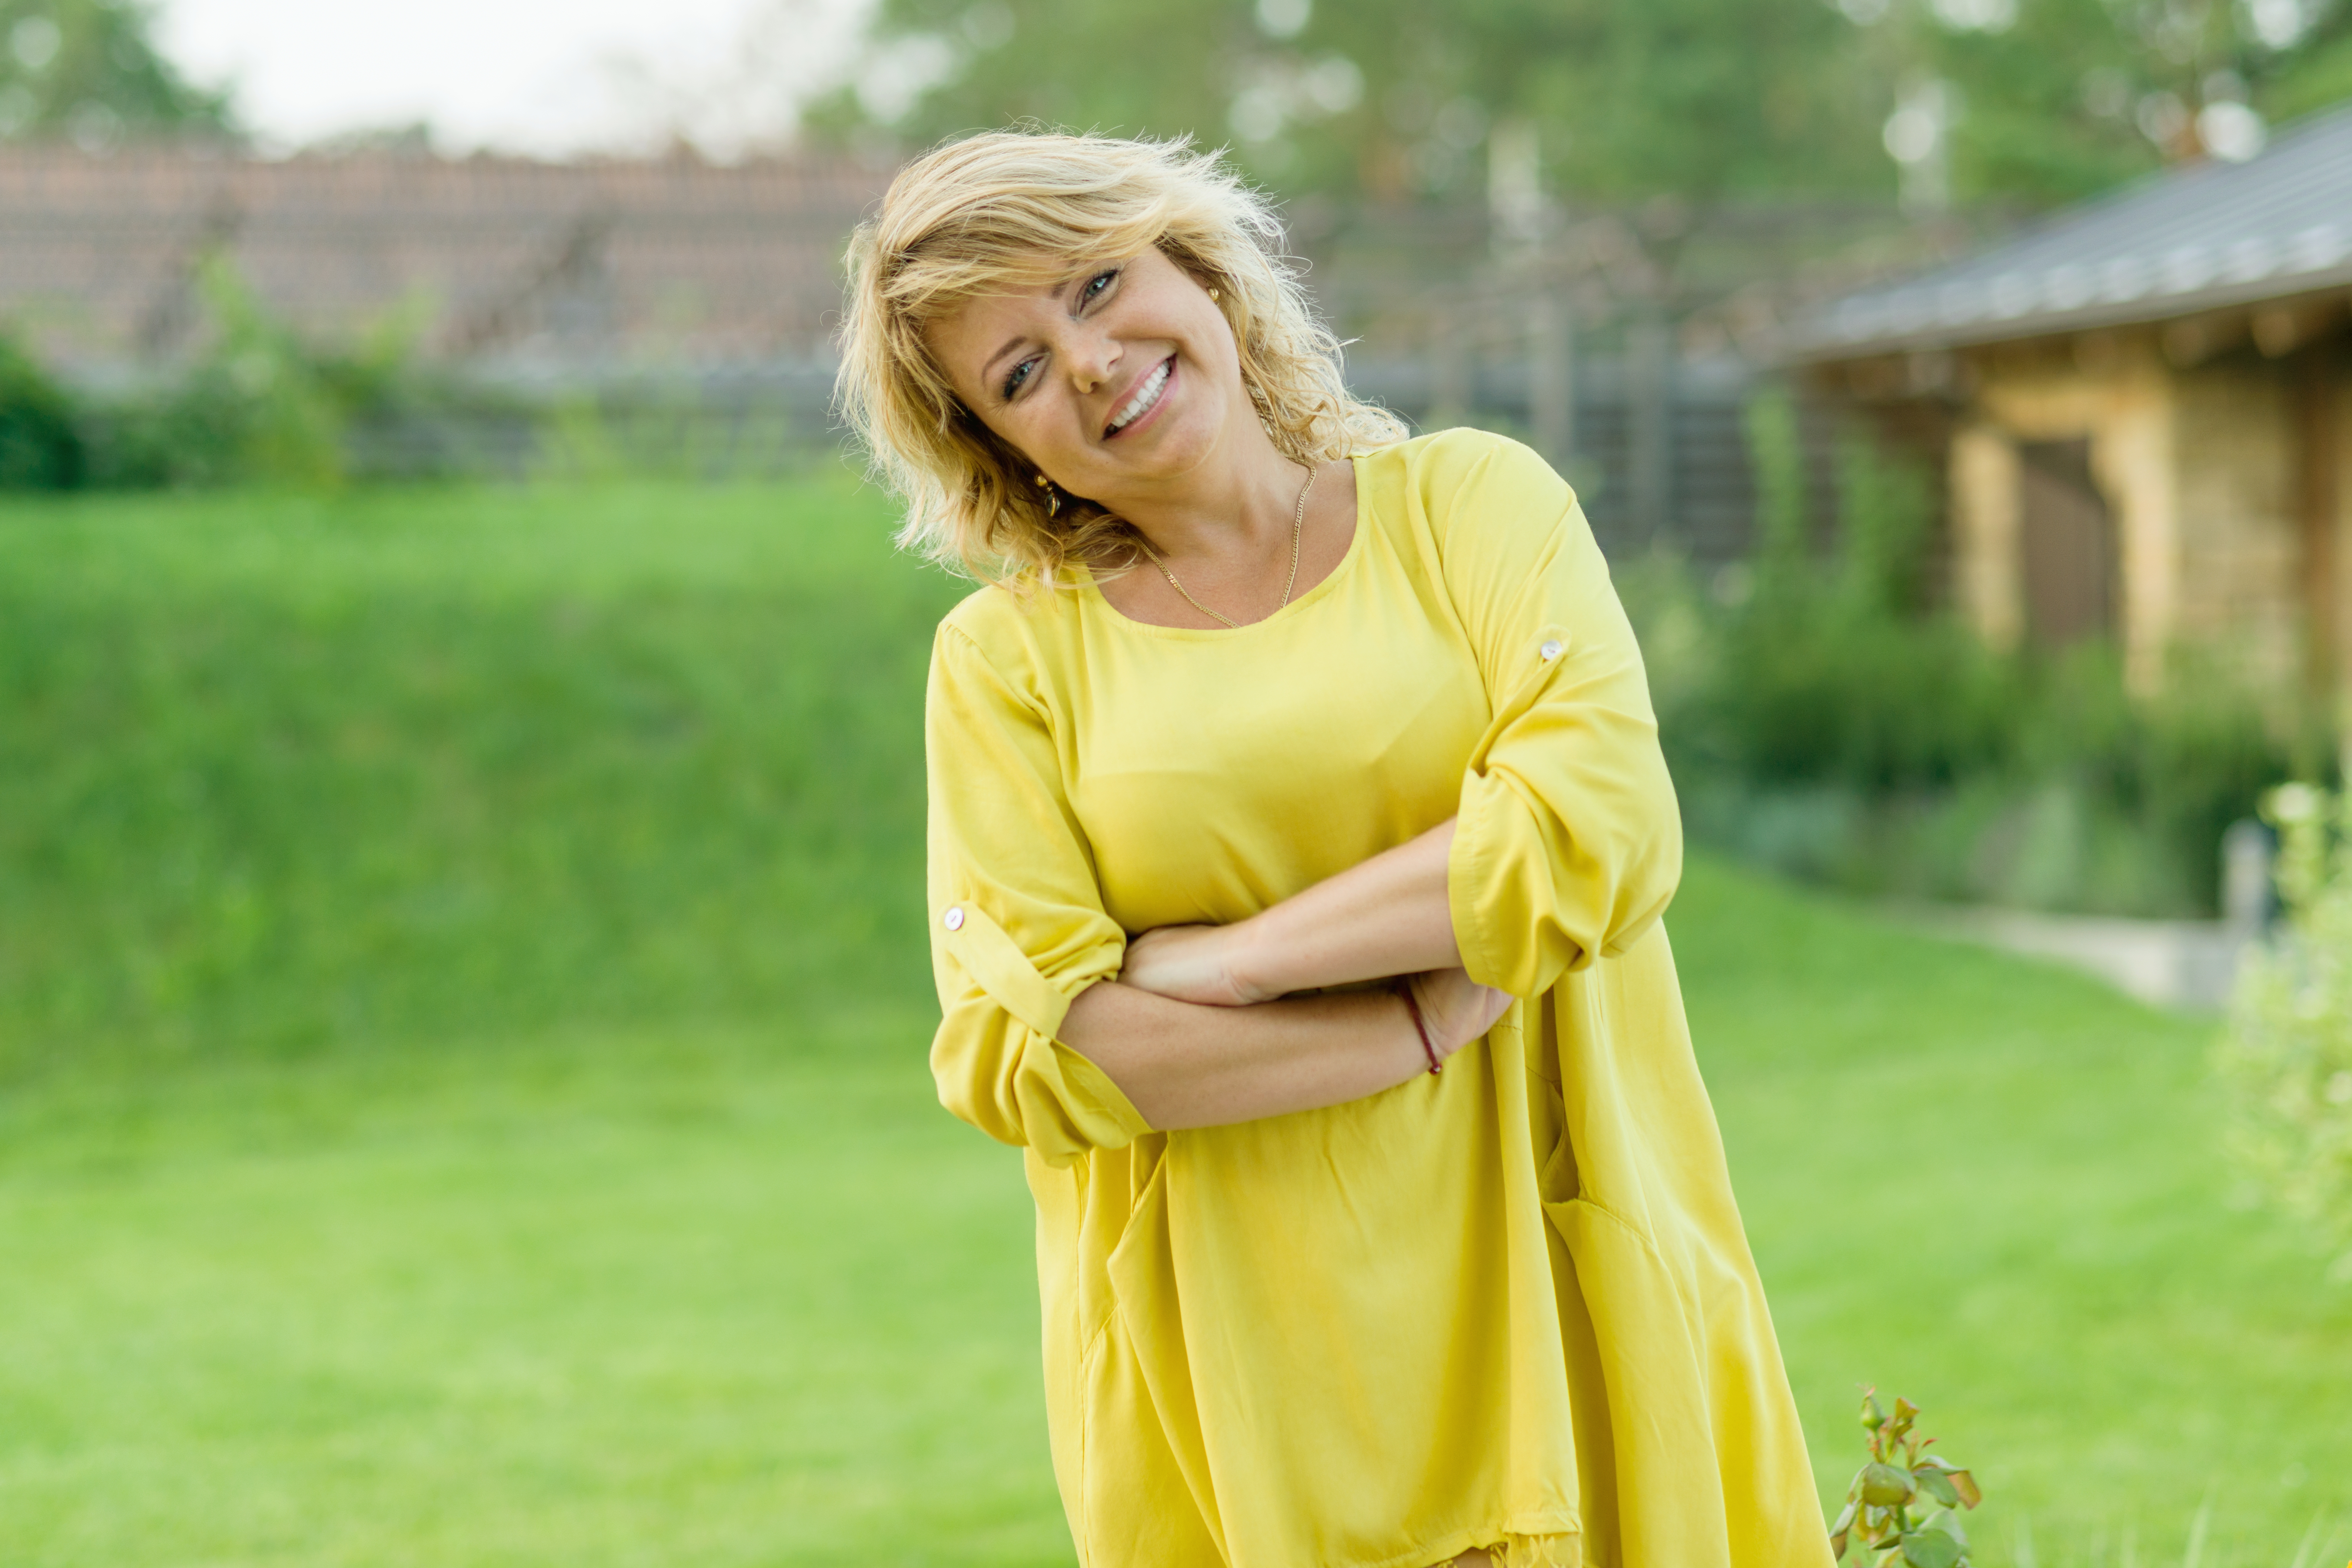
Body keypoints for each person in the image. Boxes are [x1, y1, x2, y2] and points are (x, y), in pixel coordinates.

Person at [836, 129, 1831, 1568]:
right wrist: (1418, 1021)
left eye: (1098, 285)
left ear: (1191, 258)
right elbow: (1025, 1046)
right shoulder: (1006, 668)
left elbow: (1594, 829)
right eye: (1019, 373)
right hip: (1240, 1378)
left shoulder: (1471, 510)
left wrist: (1235, 964)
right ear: (994, 449)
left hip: (1566, 1284)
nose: (1093, 362)